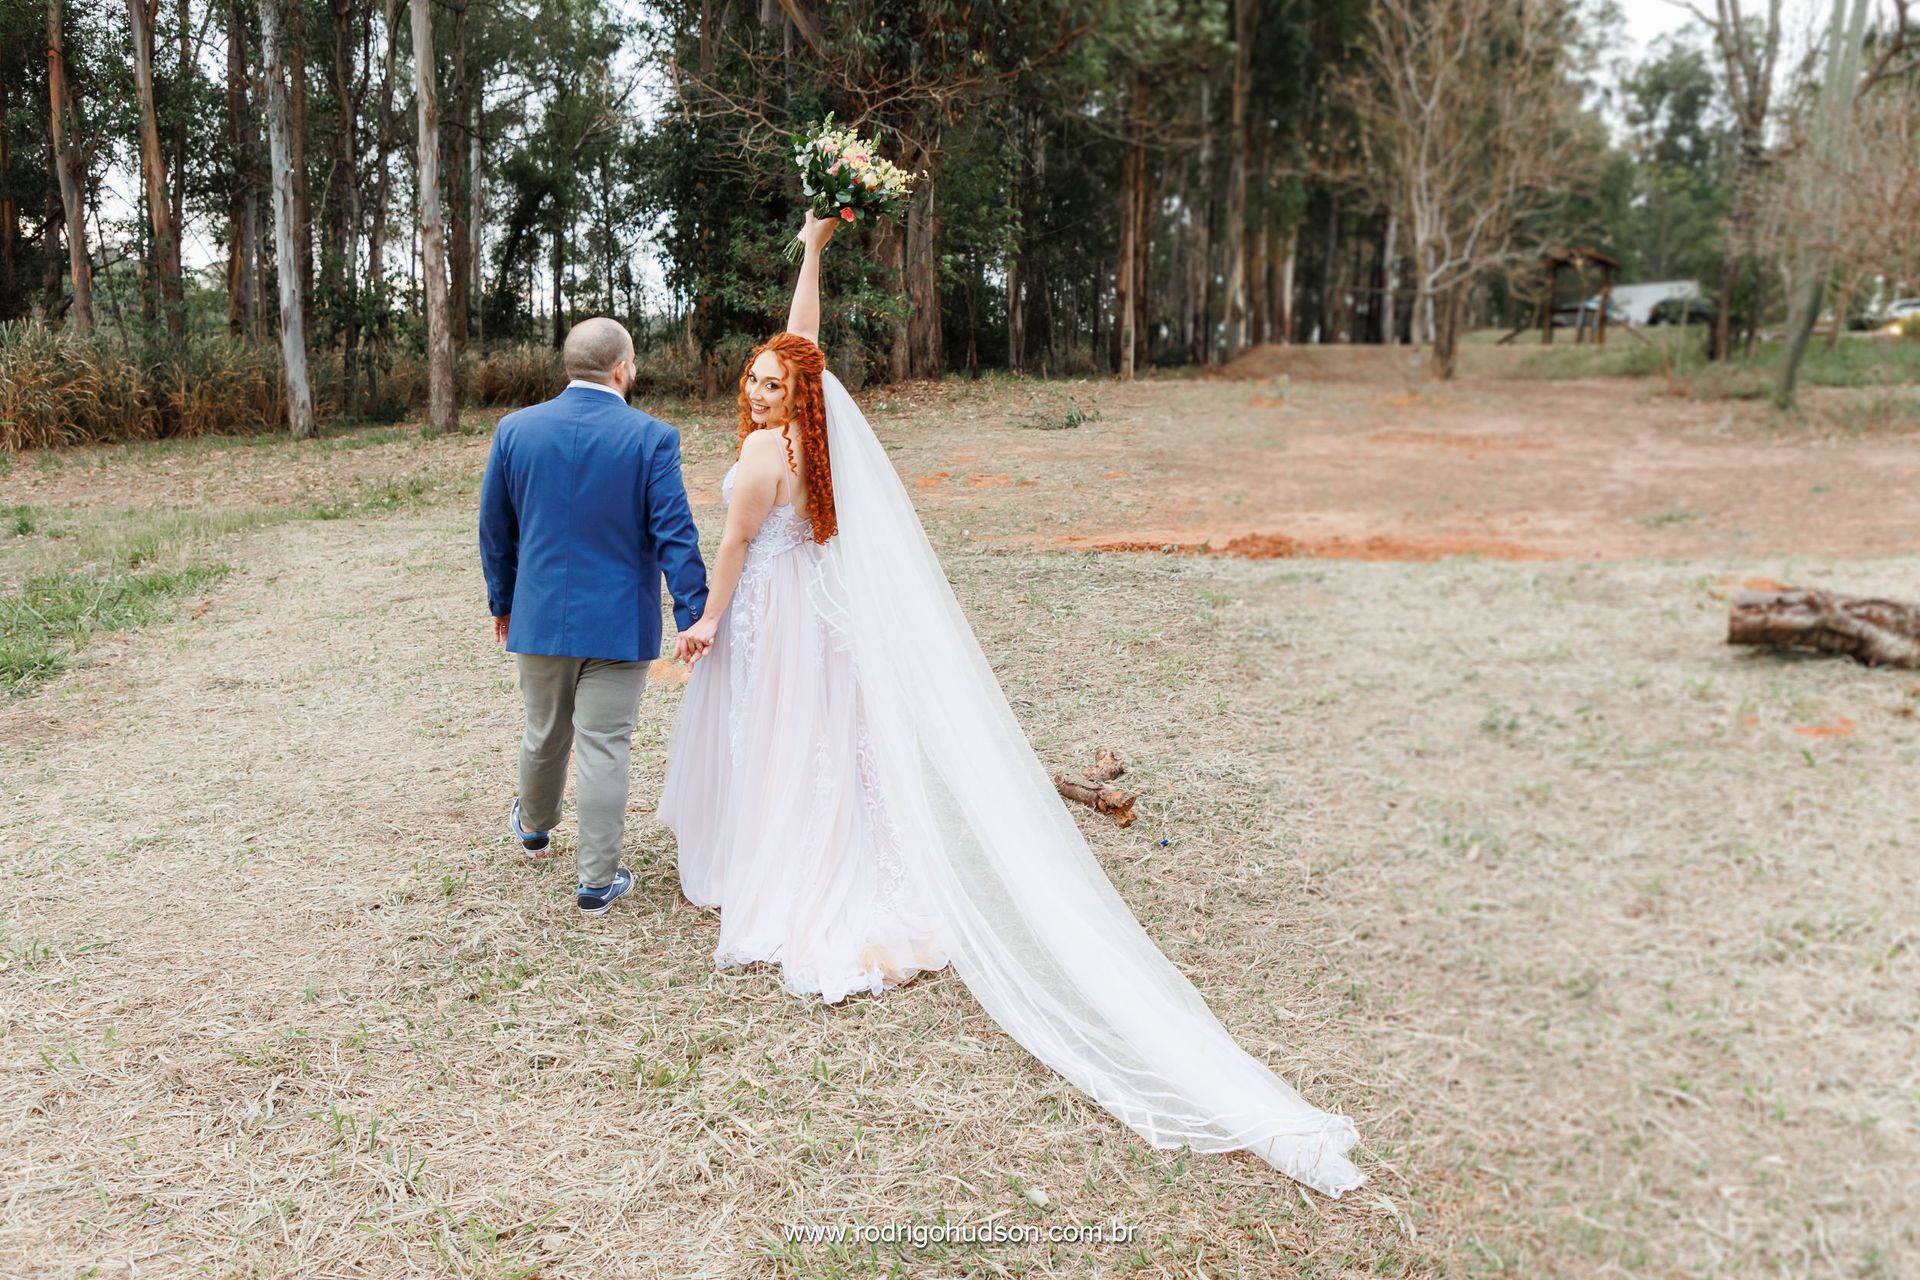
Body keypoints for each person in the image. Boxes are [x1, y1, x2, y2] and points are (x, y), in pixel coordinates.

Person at [657, 213, 1365, 1197]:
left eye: (769, 383)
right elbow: (802, 339)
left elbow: (734, 547)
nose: (756, 388)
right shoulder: (818, 430)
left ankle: (793, 868)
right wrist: (811, 253)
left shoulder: (767, 456)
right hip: (825, 618)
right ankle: (830, 845)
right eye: (754, 378)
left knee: (785, 740)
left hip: (778, 617)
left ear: (794, 395)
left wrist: (705, 622)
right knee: (828, 743)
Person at [478, 317, 708, 916]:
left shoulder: (515, 430)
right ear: (622, 369)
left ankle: (534, 826)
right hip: (618, 622)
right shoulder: (651, 437)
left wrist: (503, 603)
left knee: (543, 729)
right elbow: (676, 533)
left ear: (570, 365)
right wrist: (693, 612)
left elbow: (495, 530)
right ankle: (596, 882)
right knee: (605, 745)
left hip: (539, 614)